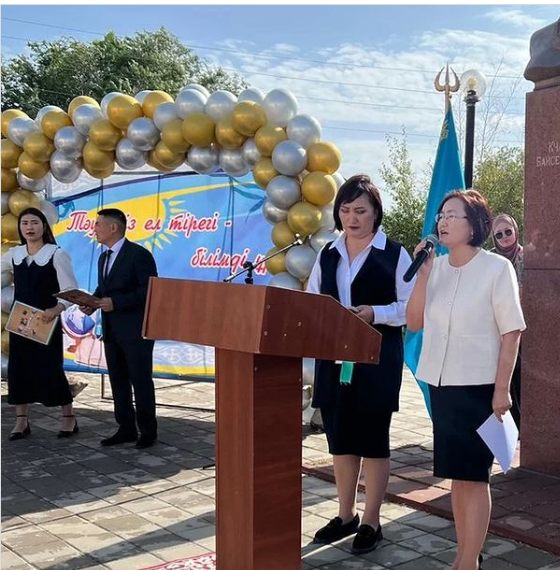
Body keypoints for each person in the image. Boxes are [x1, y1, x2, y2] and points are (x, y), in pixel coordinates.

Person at [406, 190, 526, 570]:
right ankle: (465, 555)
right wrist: (423, 274)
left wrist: (502, 390)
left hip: (480, 389)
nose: (442, 222)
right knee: (457, 477)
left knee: (474, 478)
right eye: (441, 216)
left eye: (452, 216)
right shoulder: (436, 268)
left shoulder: (496, 268)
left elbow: (511, 331)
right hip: (442, 386)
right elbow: (413, 322)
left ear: (474, 225)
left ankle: (468, 561)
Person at [306, 174, 414, 554]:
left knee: (373, 441)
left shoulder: (394, 254)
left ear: (376, 213)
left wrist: (375, 313)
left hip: (376, 361)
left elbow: (411, 308)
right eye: (346, 209)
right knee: (340, 440)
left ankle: (371, 520)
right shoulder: (327, 253)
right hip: (334, 361)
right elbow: (312, 300)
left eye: (361, 211)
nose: (352, 218)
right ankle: (346, 514)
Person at [80, 208, 158, 449]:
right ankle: (126, 428)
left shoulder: (138, 255)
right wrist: (92, 302)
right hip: (112, 329)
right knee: (118, 380)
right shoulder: (103, 257)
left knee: (140, 380)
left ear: (113, 227)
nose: (94, 229)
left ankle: (148, 431)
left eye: (98, 225)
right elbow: (104, 289)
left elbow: (149, 290)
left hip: (135, 329)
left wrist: (117, 302)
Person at [1, 207, 80, 440]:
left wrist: (56, 309)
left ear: (44, 226)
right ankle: (21, 421)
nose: (29, 228)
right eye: (25, 223)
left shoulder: (56, 254)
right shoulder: (14, 254)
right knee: (19, 369)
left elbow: (70, 290)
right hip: (21, 322)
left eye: (34, 223)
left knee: (51, 368)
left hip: (47, 321)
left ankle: (68, 417)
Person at [491, 214, 523, 430]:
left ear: (516, 231)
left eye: (508, 232)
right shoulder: (490, 260)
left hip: (521, 330)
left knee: (518, 381)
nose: (504, 237)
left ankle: (519, 430)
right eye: (499, 234)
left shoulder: (527, 257)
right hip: (494, 330)